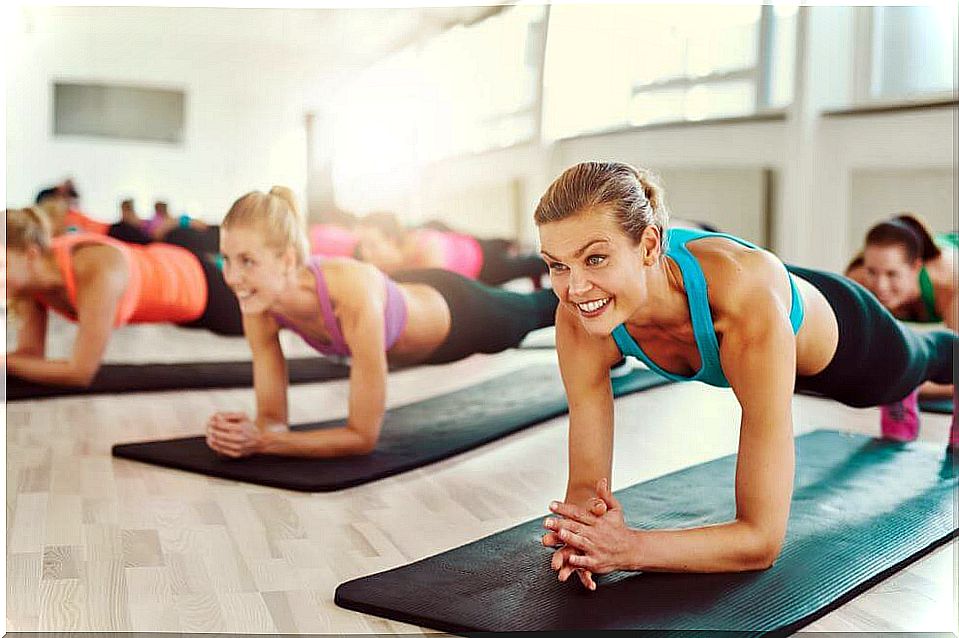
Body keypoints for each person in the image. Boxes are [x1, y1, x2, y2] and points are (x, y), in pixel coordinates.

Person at [532, 162, 956, 586]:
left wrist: (628, 548)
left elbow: (761, 540)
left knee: (924, 358)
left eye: (596, 258)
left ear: (647, 246)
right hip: (759, 313)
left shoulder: (742, 305)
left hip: (845, 341)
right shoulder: (577, 316)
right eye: (558, 265)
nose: (576, 288)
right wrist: (582, 537)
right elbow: (587, 487)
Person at [203, 187, 558, 459]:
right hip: (409, 292)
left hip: (457, 313)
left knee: (542, 309)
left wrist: (265, 441)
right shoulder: (258, 306)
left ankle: (608, 314)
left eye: (247, 261)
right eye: (227, 260)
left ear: (287, 259)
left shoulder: (350, 291)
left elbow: (362, 436)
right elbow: (272, 421)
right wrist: (249, 433)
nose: (232, 277)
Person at [5, 207, 243, 387]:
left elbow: (80, 373)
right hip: (181, 303)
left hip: (202, 286)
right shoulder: (30, 283)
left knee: (275, 319)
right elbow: (29, 355)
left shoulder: (95, 269)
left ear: (31, 255)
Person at [845, 215, 956, 399]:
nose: (880, 286)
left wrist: (890, 380)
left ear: (916, 268)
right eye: (872, 272)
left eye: (892, 274)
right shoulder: (858, 280)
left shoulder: (950, 286)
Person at [351, 212, 549, 288]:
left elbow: (439, 288)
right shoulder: (385, 265)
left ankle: (536, 254)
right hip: (467, 250)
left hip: (481, 261)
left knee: (526, 264)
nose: (366, 254)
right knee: (508, 252)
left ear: (392, 240)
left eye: (372, 246)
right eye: (363, 247)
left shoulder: (427, 249)